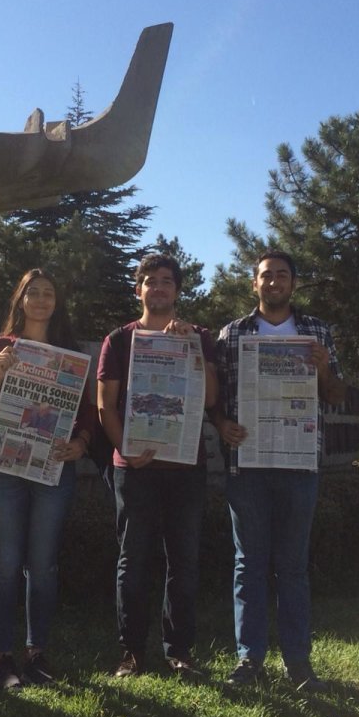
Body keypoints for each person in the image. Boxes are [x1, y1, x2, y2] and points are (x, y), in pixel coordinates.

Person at [213, 250, 347, 690]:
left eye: (282, 275)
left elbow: (335, 395)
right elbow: (215, 396)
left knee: (293, 566)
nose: (274, 282)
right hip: (247, 465)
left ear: (293, 283)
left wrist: (323, 370)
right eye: (266, 276)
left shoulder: (316, 332)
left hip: (299, 465)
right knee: (248, 565)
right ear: (254, 283)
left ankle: (298, 662)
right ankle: (249, 660)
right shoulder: (233, 333)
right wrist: (221, 424)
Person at [0, 269, 96, 690]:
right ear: (20, 300)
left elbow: (87, 413)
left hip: (53, 467)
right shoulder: (0, 347)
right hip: (3, 467)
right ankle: (3, 657)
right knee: (4, 562)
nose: (41, 300)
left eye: (49, 293)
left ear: (57, 303)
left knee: (42, 564)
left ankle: (36, 653)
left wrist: (81, 442)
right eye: (33, 293)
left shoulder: (70, 354)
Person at [97, 253, 217, 679]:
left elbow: (212, 398)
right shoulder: (119, 340)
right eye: (151, 281)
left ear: (178, 290)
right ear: (139, 290)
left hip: (186, 467)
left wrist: (192, 349)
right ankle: (131, 652)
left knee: (183, 562)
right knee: (133, 561)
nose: (159, 287)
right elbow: (105, 406)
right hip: (134, 468)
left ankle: (179, 651)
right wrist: (125, 449)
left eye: (167, 280)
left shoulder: (199, 337)